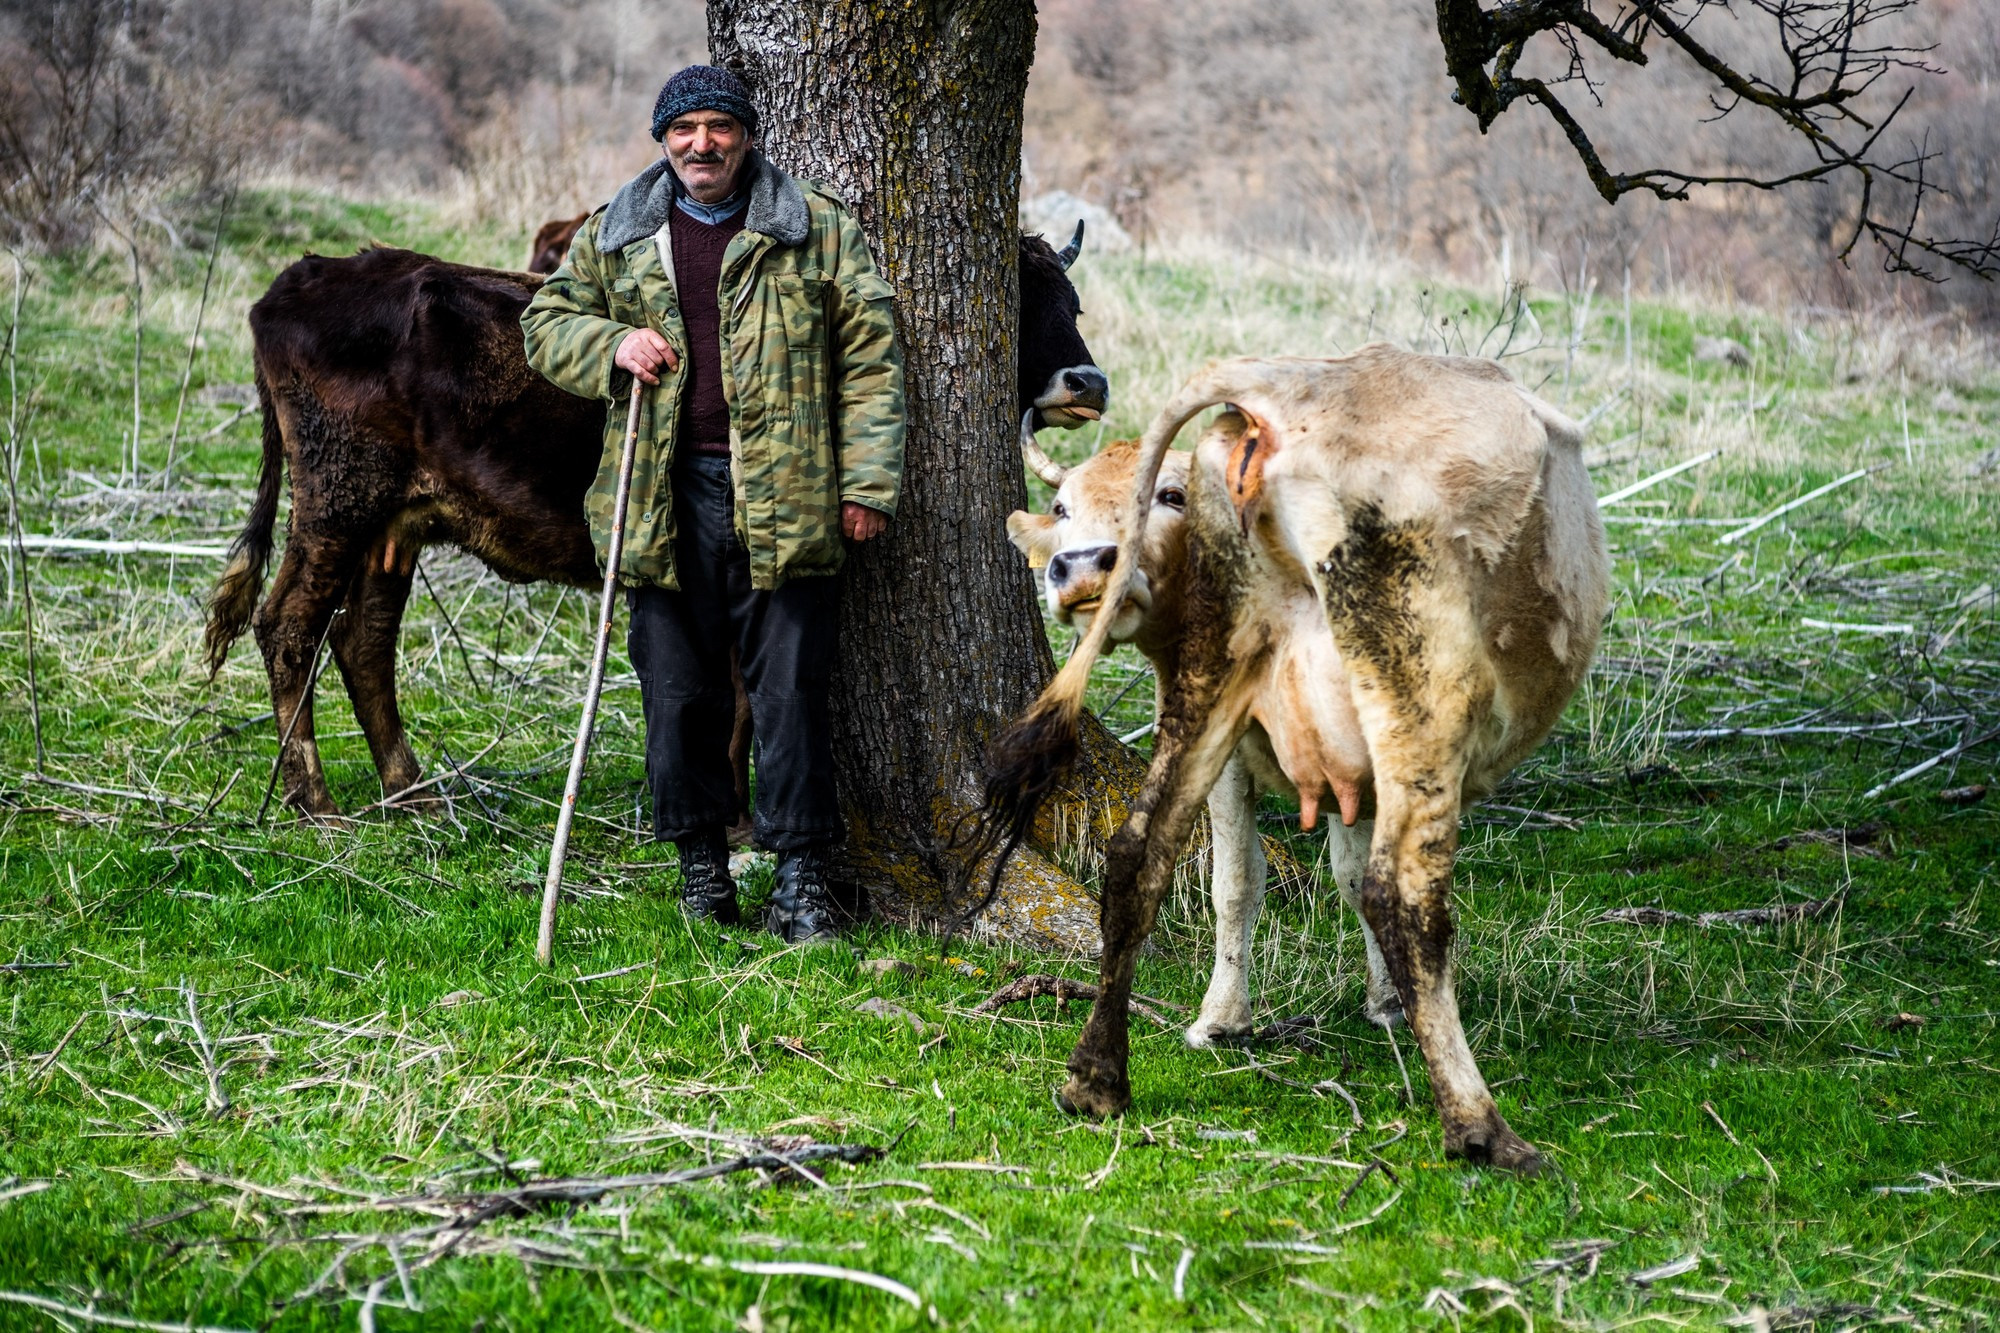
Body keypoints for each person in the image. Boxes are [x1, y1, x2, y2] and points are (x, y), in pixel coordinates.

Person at [522, 65, 906, 944]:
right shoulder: (620, 232)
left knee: (792, 691)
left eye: (719, 127)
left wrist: (867, 484)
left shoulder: (811, 228)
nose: (702, 144)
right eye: (684, 128)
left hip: (790, 493)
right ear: (664, 138)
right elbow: (545, 323)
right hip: (661, 496)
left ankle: (802, 879)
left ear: (746, 135)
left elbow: (873, 360)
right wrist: (613, 343)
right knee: (677, 689)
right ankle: (701, 869)